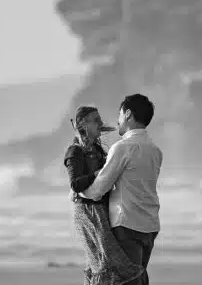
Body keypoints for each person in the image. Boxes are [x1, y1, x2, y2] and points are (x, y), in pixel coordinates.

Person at [79, 94, 162, 285]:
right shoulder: (155, 151)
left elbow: (99, 188)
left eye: (119, 115)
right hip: (150, 225)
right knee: (137, 277)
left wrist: (79, 191)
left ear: (128, 114)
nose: (117, 121)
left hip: (127, 225)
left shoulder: (123, 148)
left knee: (126, 281)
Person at [65, 105, 144, 285]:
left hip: (102, 209)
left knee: (104, 261)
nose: (101, 124)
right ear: (83, 124)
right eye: (96, 120)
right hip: (87, 212)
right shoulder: (75, 151)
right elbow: (75, 184)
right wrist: (99, 173)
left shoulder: (98, 151)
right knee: (105, 262)